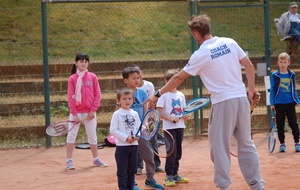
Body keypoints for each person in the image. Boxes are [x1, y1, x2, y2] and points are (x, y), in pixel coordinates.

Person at [145, 15, 265, 190]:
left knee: (219, 147)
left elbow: (178, 77)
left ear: (195, 33)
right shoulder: (229, 42)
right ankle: (257, 185)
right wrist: (252, 89)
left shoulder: (200, 54)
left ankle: (224, 186)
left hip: (223, 102)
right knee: (246, 144)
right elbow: (249, 65)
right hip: (241, 98)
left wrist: (157, 94)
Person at [117, 66, 164, 190]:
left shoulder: (142, 93)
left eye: (138, 78)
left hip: (141, 131)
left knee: (149, 155)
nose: (137, 80)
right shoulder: (123, 94)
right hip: (127, 133)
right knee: (129, 160)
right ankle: (130, 183)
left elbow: (145, 112)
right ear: (126, 80)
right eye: (134, 78)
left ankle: (150, 179)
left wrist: (147, 126)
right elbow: (118, 112)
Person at [66, 52, 108, 170]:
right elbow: (70, 97)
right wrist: (74, 114)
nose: (83, 63)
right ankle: (69, 160)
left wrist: (92, 111)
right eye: (81, 61)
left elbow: (98, 94)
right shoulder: (72, 79)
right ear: (76, 63)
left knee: (92, 136)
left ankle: (96, 159)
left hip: (90, 112)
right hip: (76, 113)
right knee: (71, 135)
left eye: (85, 61)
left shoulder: (93, 77)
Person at [156, 69, 190, 187]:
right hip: (169, 129)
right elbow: (159, 112)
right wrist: (171, 119)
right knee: (171, 152)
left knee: (178, 152)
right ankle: (168, 176)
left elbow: (184, 111)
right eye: (169, 80)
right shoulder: (163, 95)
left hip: (180, 127)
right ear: (166, 81)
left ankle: (175, 174)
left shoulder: (181, 95)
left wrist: (186, 116)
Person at [131, 64, 165, 174]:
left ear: (142, 73)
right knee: (137, 143)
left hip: (147, 118)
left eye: (138, 73)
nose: (136, 76)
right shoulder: (129, 90)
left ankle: (156, 165)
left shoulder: (148, 85)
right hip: (134, 122)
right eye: (133, 74)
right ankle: (138, 166)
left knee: (152, 141)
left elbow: (152, 102)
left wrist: (150, 119)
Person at [110, 87, 141, 190]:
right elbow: (113, 130)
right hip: (122, 147)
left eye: (129, 98)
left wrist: (137, 136)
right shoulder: (117, 114)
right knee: (122, 171)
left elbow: (139, 128)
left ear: (133, 100)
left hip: (134, 147)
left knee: (132, 170)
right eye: (124, 99)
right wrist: (126, 138)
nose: (127, 101)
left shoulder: (135, 114)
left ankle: (130, 187)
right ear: (118, 101)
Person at [270, 52, 300, 153]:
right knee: (280, 124)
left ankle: (297, 142)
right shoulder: (275, 75)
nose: (283, 64)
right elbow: (273, 89)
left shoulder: (292, 75)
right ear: (278, 62)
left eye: (285, 62)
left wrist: (297, 101)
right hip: (279, 103)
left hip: (290, 103)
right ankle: (282, 144)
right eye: (281, 62)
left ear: (289, 63)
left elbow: (293, 89)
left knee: (293, 124)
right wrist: (272, 103)